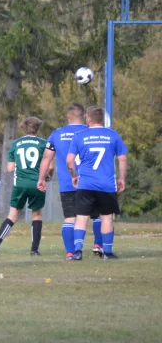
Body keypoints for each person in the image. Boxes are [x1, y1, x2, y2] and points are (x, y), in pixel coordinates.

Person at [37, 104, 103, 259]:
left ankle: (70, 252)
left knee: (70, 217)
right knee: (98, 215)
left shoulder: (57, 134)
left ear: (68, 116)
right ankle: (98, 246)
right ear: (84, 117)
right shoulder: (90, 132)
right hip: (91, 182)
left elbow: (47, 157)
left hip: (68, 183)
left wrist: (41, 178)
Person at [0, 117, 52, 257]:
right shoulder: (44, 144)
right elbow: (50, 166)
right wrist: (47, 175)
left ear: (23, 128)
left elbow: (10, 168)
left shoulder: (16, 144)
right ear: (37, 128)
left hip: (20, 183)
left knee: (12, 215)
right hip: (36, 183)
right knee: (36, 214)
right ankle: (34, 250)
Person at [66, 106, 127, 260]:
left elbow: (69, 160)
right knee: (106, 217)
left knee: (81, 217)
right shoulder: (113, 135)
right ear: (102, 119)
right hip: (106, 184)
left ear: (89, 118)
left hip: (85, 183)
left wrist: (74, 175)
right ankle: (107, 252)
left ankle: (78, 251)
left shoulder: (80, 136)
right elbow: (122, 158)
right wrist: (121, 178)